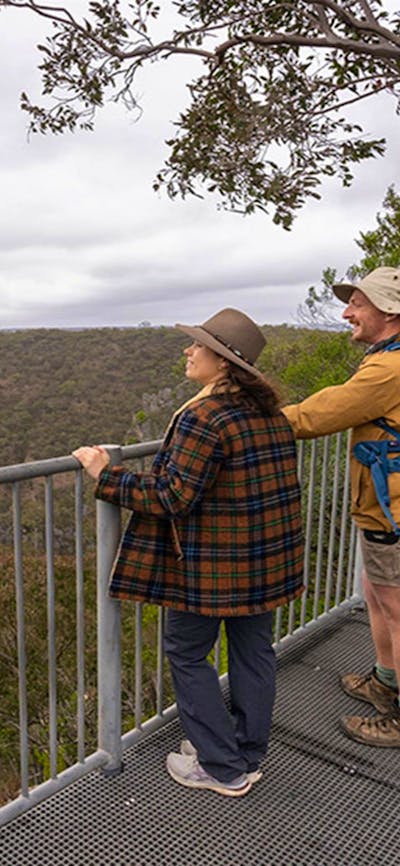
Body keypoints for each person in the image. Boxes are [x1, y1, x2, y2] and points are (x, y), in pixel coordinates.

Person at [73, 307, 304, 797]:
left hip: (213, 567)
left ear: (223, 363)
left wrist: (104, 474)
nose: (188, 350)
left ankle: (221, 767)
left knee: (186, 652)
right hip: (266, 562)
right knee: (253, 653)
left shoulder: (205, 415)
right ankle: (246, 752)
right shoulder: (268, 414)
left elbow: (172, 496)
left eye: (198, 345)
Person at [283, 266, 400, 747]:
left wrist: (254, 419)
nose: (347, 312)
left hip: (392, 511)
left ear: (390, 312)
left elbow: (320, 413)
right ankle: (386, 683)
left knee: (395, 607)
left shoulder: (388, 369)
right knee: (378, 597)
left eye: (359, 304)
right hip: (382, 509)